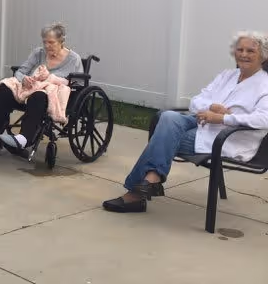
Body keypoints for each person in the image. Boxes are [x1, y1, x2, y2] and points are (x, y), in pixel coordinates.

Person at [103, 31, 268, 213]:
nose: (244, 54)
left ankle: (139, 191)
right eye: (240, 49)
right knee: (167, 117)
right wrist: (212, 107)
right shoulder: (226, 75)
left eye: (250, 51)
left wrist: (223, 118)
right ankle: (150, 181)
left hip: (228, 137)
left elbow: (263, 119)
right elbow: (196, 101)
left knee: (163, 137)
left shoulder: (264, 84)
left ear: (263, 55)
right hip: (202, 123)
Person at [0, 22, 82, 152]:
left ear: (61, 41)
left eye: (51, 42)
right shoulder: (39, 53)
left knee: (39, 96)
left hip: (51, 95)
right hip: (29, 89)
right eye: (44, 42)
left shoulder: (73, 59)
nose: (46, 46)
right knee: (4, 89)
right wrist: (24, 79)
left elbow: (77, 83)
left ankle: (24, 138)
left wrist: (50, 78)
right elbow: (21, 71)